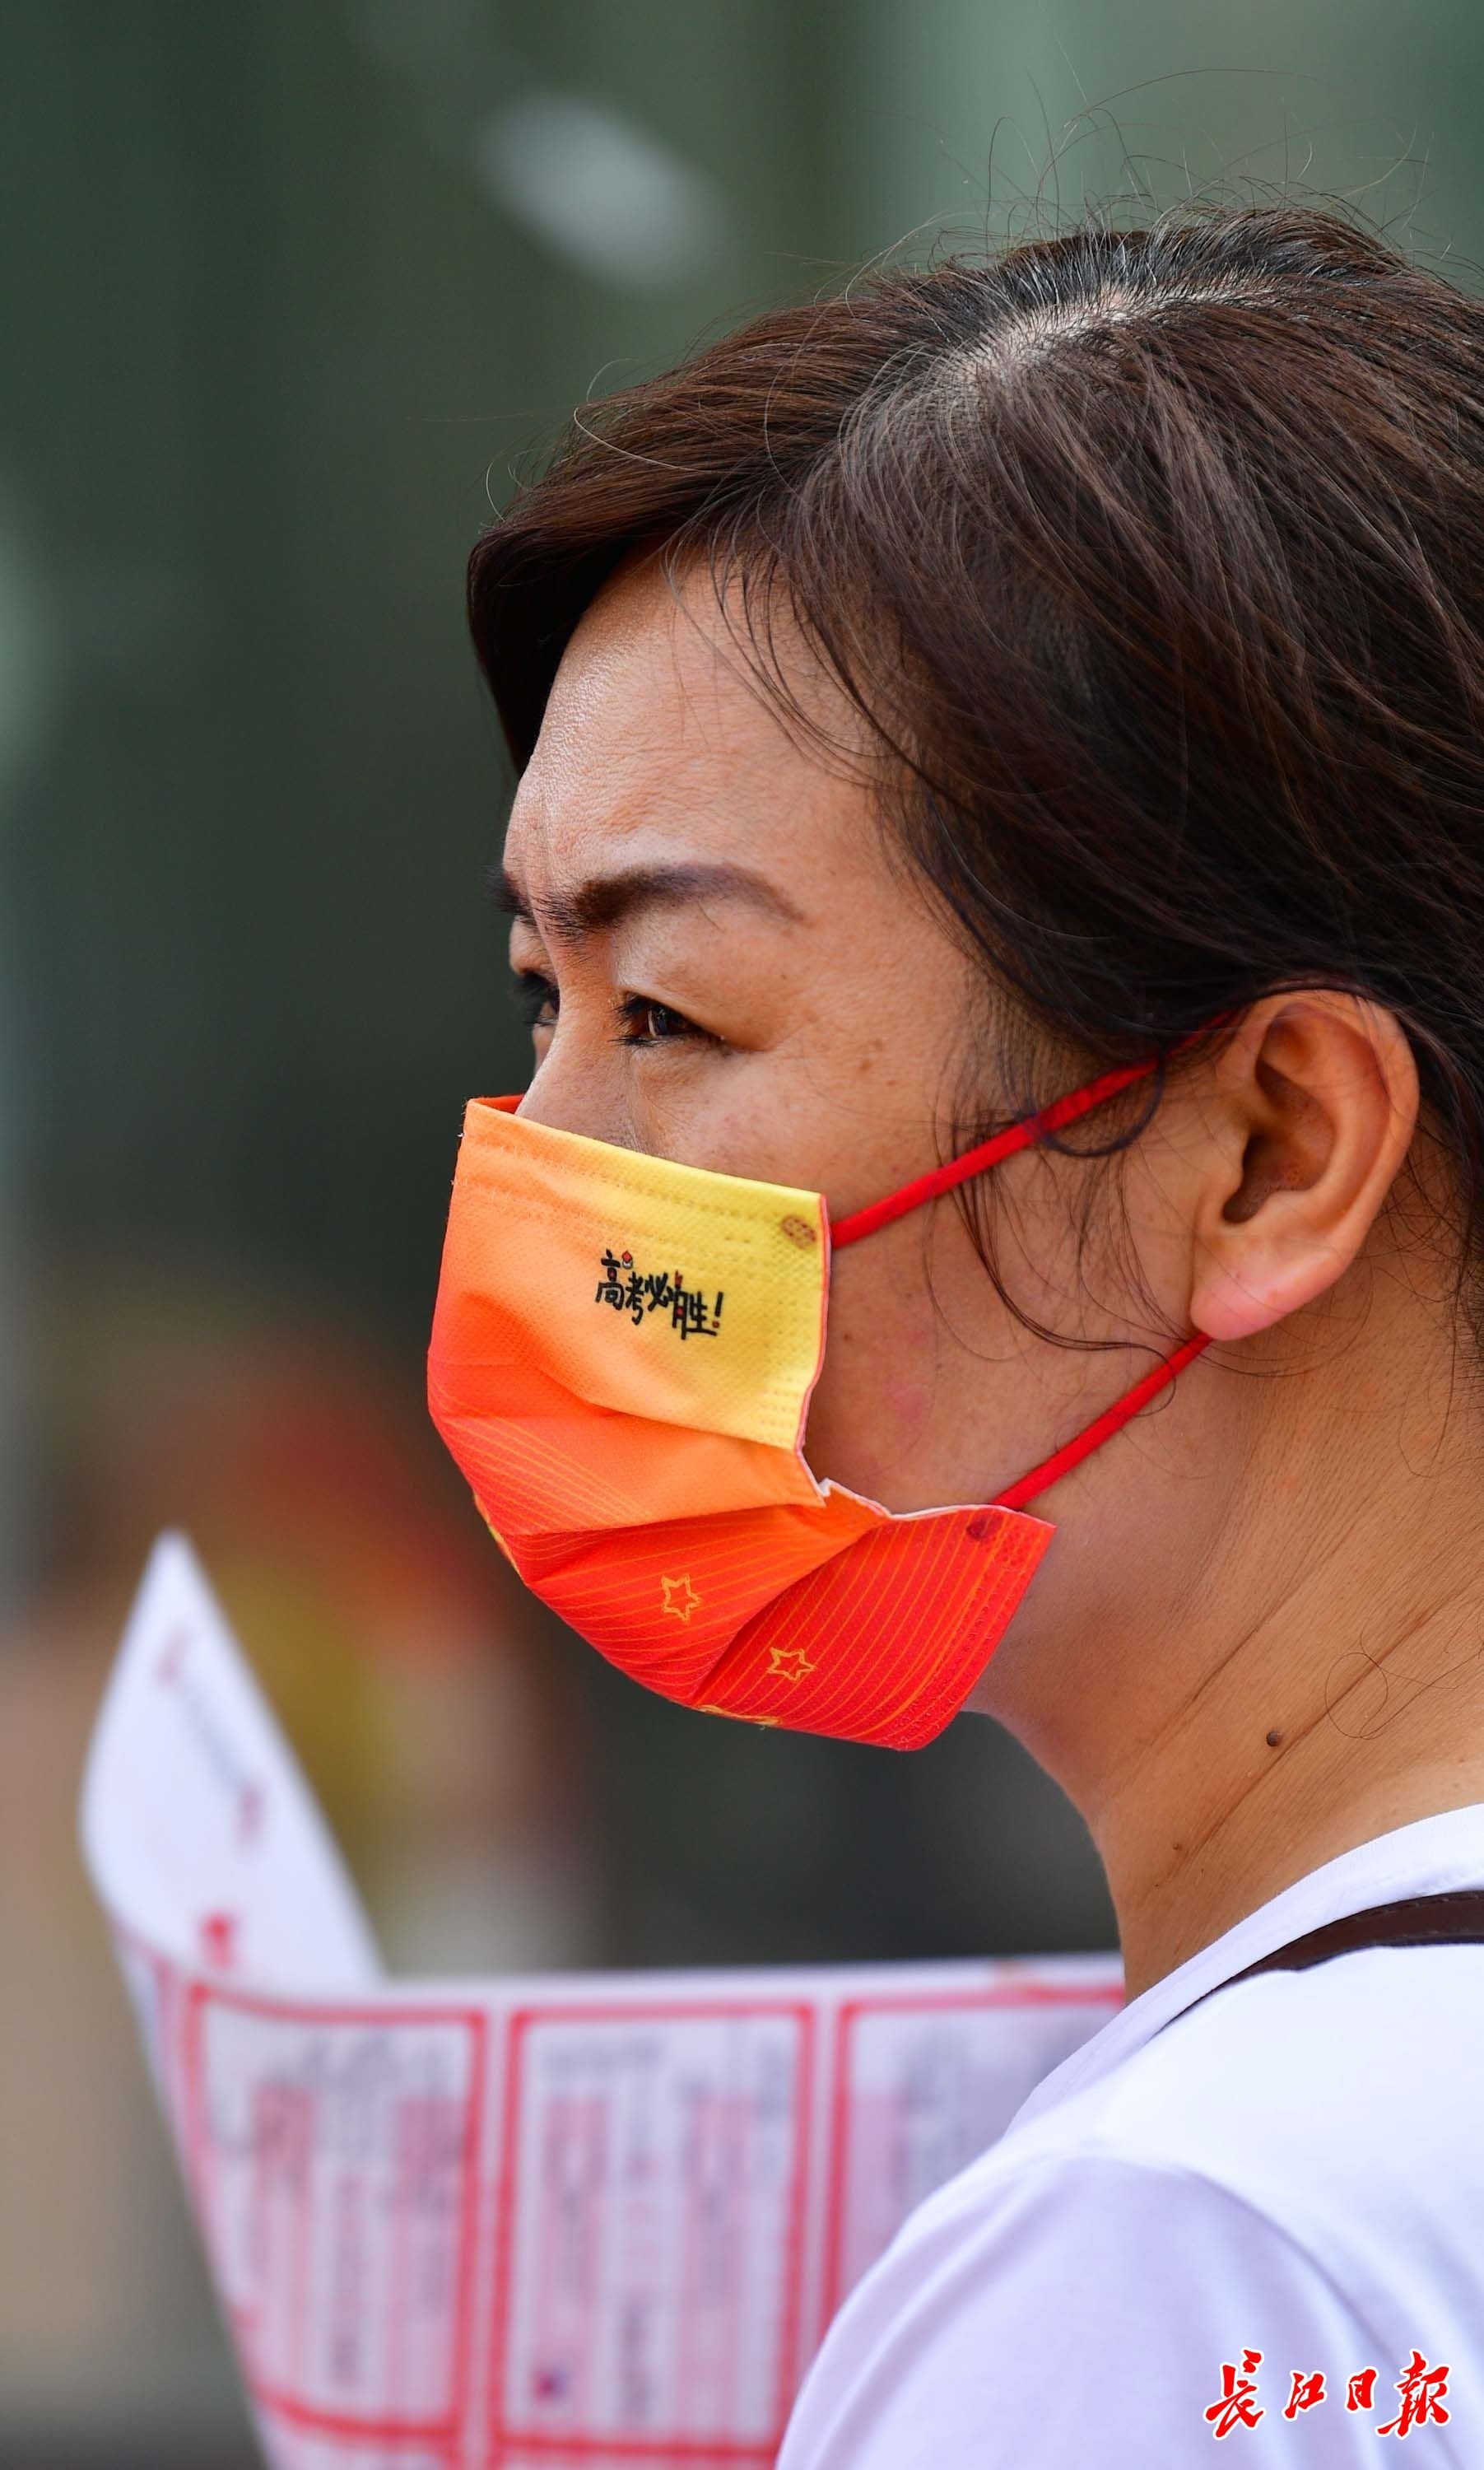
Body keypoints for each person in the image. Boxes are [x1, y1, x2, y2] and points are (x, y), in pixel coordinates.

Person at [450, 203, 1484, 2461]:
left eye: (669, 1011)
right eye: (542, 1000)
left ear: (1270, 1151)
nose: (544, 1163)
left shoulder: (1197, 2251)